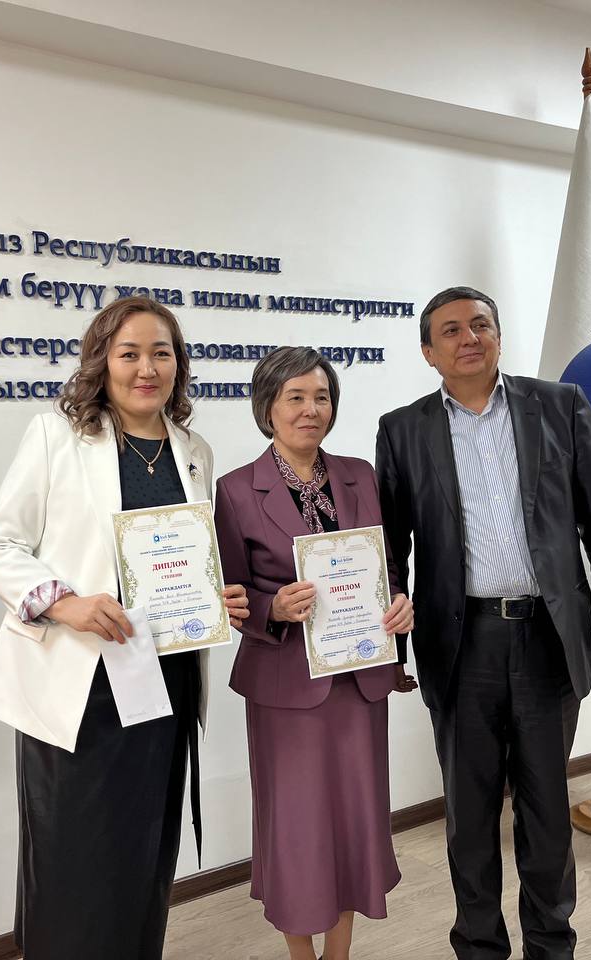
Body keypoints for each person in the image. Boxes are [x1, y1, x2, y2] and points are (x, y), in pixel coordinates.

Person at [0, 295, 249, 960]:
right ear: (103, 361)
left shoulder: (194, 451)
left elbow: (184, 557)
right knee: (72, 853)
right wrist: (61, 600)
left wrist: (216, 597)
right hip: (80, 683)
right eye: (130, 354)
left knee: (144, 848)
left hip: (165, 678)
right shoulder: (56, 436)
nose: (147, 368)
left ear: (179, 365)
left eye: (161, 353)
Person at [375, 286, 591, 960]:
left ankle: (552, 947)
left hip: (546, 638)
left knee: (547, 811)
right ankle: (479, 947)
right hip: (458, 644)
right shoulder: (402, 429)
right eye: (450, 330)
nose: (468, 338)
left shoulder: (560, 406)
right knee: (469, 819)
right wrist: (392, 651)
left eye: (480, 325)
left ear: (498, 335)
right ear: (428, 351)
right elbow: (391, 551)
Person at [213, 346, 416, 960]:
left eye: (321, 397)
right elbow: (227, 594)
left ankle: (340, 951)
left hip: (360, 679)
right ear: (267, 408)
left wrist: (400, 603)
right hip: (286, 688)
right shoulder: (235, 490)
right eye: (295, 397)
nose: (310, 409)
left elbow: (387, 567)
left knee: (355, 817)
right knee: (297, 826)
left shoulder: (362, 475)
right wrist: (272, 607)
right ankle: (302, 954)